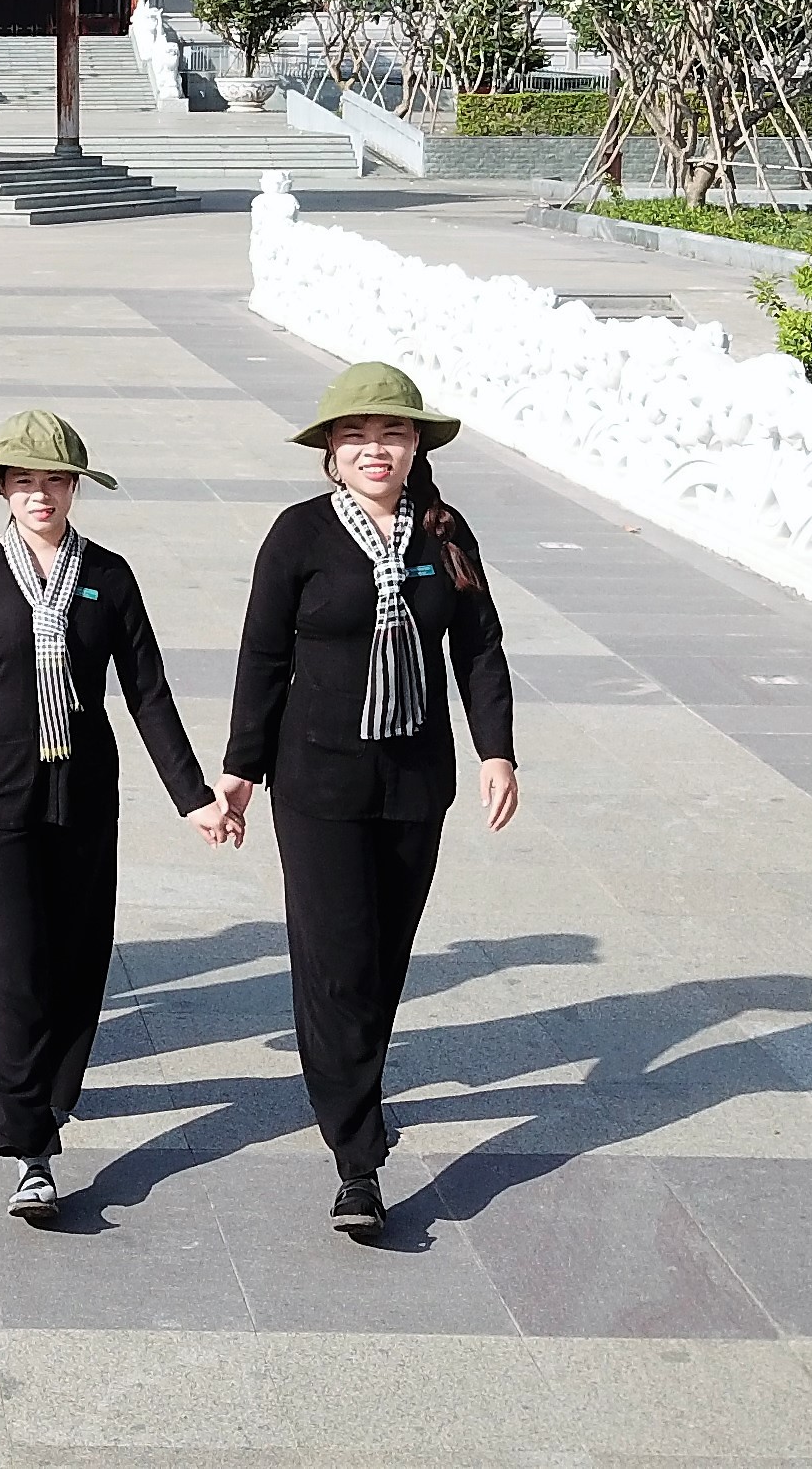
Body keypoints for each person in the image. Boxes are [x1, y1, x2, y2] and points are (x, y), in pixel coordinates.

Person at [0, 411, 235, 1226]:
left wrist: (192, 795)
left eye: (53, 480)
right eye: (24, 481)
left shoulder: (108, 577)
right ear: (2, 490)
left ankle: (51, 1089)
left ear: (76, 487)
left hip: (81, 796)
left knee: (78, 962)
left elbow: (148, 692)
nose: (39, 494)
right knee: (11, 966)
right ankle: (28, 1147)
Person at [223, 360, 519, 1240]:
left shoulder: (444, 532)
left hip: (414, 780)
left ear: (416, 443)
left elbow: (478, 646)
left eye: (391, 432)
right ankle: (358, 1158)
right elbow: (262, 654)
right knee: (337, 961)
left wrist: (496, 750)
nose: (374, 449)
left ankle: (356, 1082)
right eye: (355, 436)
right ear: (329, 451)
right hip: (316, 782)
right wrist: (240, 769)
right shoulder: (300, 534)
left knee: (384, 958)